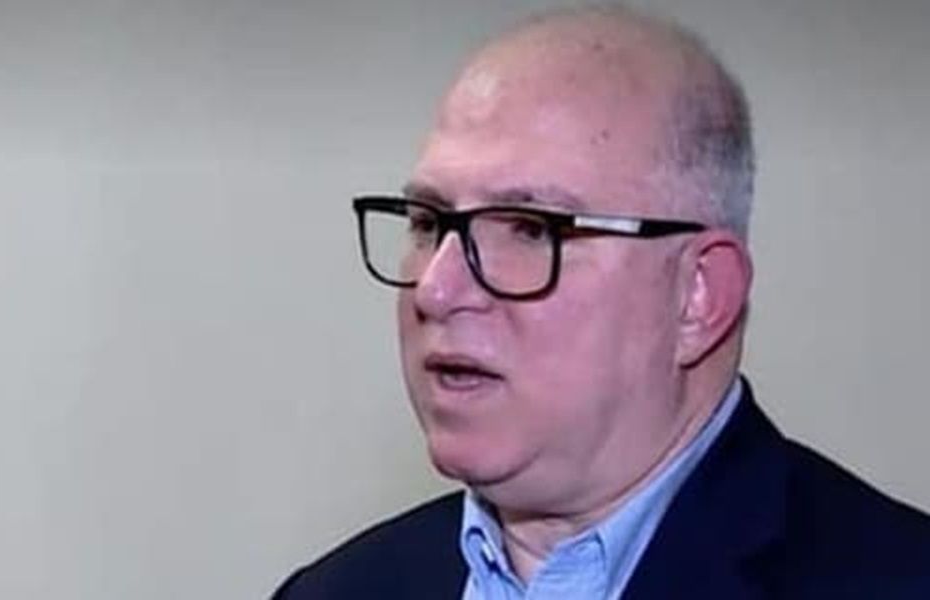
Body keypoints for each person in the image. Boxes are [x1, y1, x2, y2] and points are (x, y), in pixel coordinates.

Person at [273, 6, 930, 599]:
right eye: (427, 222)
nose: (436, 290)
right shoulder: (336, 590)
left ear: (699, 296)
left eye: (530, 229)